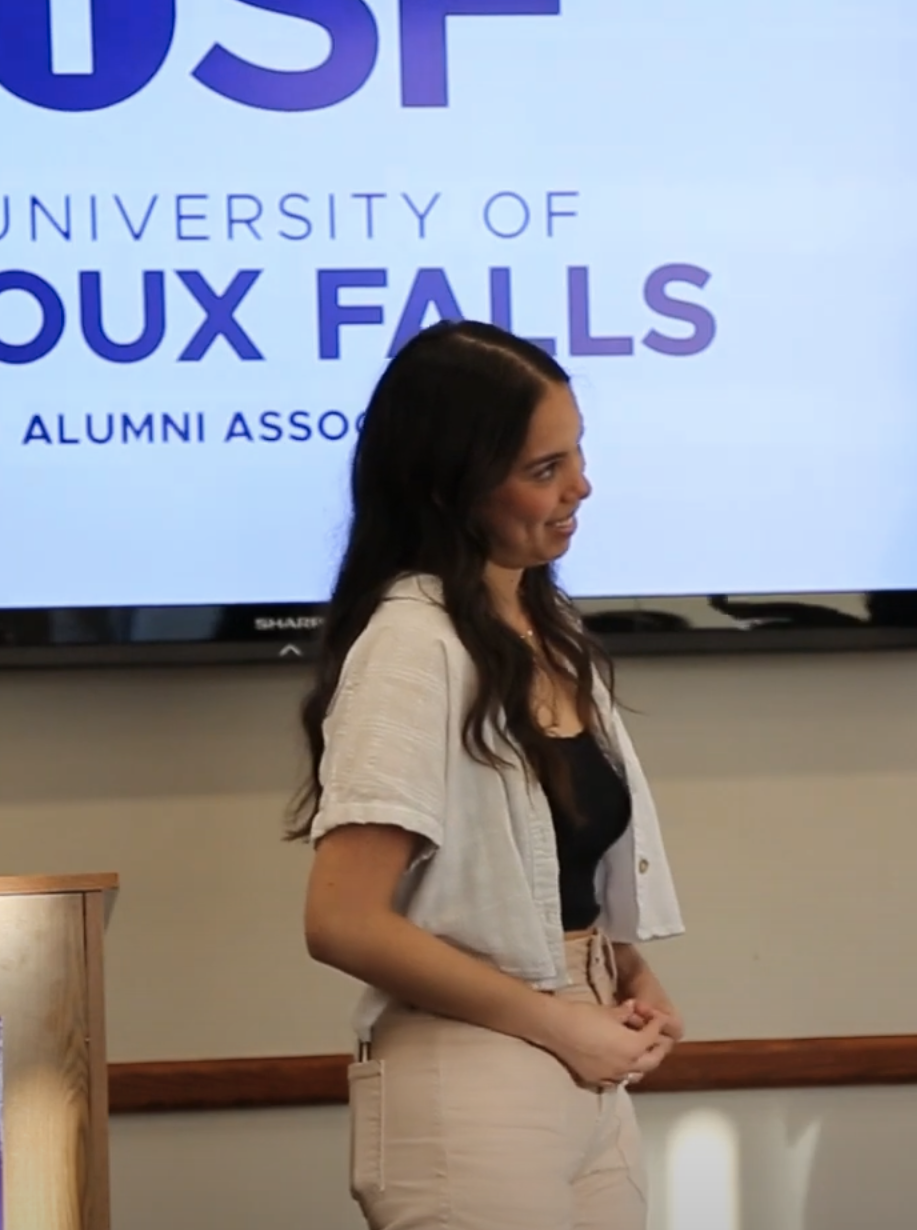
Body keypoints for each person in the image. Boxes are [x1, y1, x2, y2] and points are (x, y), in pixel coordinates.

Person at [288, 319, 687, 1230]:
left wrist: (623, 970)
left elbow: (552, 868)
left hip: (584, 1059)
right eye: (543, 470)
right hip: (472, 1075)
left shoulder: (550, 633)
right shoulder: (409, 643)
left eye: (577, 453)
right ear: (450, 487)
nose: (580, 486)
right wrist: (558, 1023)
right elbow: (341, 919)